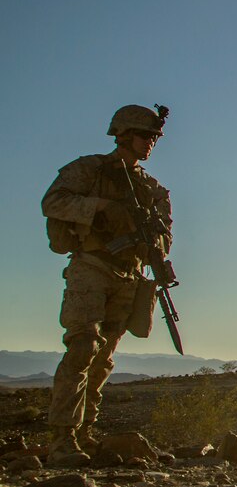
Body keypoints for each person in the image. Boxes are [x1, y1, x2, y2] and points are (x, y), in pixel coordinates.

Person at [41, 104, 172, 465]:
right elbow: (52, 203)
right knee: (82, 346)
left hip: (128, 274)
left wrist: (152, 247)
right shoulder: (89, 169)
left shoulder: (152, 188)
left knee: (103, 358)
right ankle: (62, 439)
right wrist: (100, 208)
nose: (151, 143)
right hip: (92, 266)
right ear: (124, 135)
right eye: (146, 135)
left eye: (155, 137)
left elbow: (165, 237)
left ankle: (86, 433)